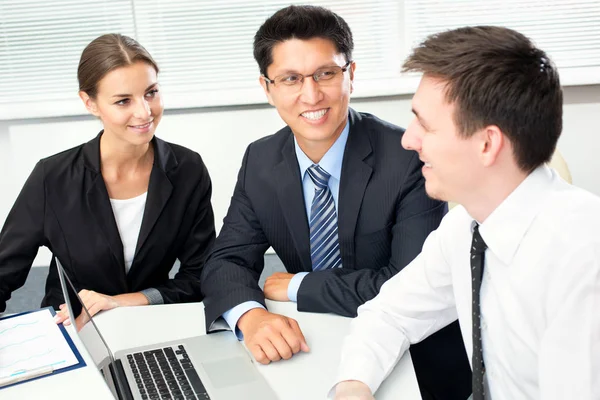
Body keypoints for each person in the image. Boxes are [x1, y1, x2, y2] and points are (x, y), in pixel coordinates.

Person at [200, 5, 472, 399]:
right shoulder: (260, 160)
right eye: (291, 78)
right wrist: (251, 315)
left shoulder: (407, 158)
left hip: (411, 359)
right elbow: (226, 260)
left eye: (326, 74)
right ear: (267, 87)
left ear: (351, 75)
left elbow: (407, 288)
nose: (311, 95)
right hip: (314, 344)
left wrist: (301, 286)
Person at [332, 25, 600, 400]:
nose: (408, 140)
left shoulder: (582, 260)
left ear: (487, 144)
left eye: (424, 125)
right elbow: (389, 314)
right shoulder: (467, 227)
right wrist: (353, 386)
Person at [0, 34, 216, 327]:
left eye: (151, 92)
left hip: (152, 322)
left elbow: (200, 275)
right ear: (90, 103)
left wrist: (124, 302)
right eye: (123, 100)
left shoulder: (188, 169)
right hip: (74, 327)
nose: (144, 111)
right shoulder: (52, 178)